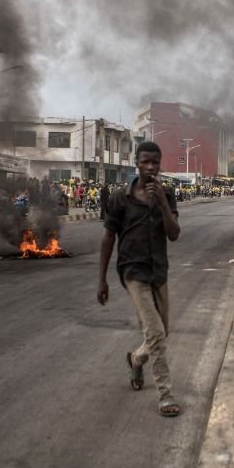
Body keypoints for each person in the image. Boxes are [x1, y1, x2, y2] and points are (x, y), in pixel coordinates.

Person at [97, 141, 181, 417]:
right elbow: (109, 237)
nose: (150, 167)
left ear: (160, 164)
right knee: (155, 333)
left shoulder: (166, 193)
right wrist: (102, 279)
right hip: (132, 271)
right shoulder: (121, 198)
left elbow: (174, 233)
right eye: (145, 161)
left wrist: (162, 204)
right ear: (136, 162)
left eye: (155, 162)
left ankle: (136, 358)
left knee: (162, 332)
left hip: (158, 270)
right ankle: (165, 395)